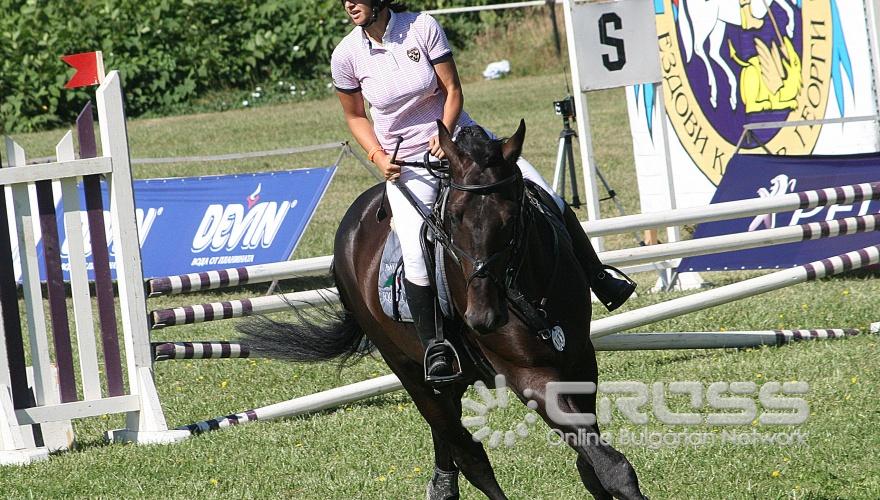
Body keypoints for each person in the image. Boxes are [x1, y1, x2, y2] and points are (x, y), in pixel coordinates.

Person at [331, 0, 635, 381]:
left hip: (462, 142)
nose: (349, 5)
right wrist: (376, 154)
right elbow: (355, 116)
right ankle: (435, 345)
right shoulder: (346, 54)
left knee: (547, 196)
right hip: (407, 163)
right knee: (413, 244)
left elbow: (452, 89)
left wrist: (444, 133)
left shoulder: (421, 27)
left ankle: (599, 277)